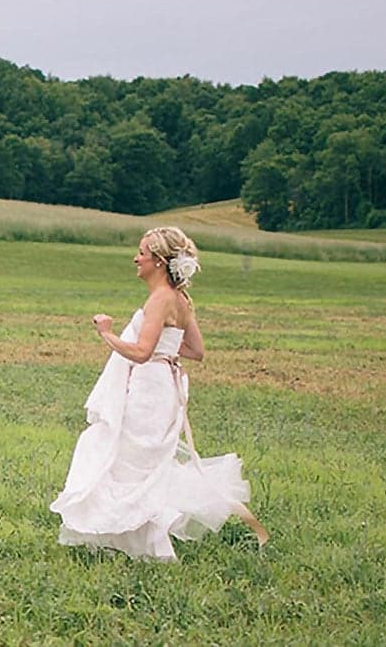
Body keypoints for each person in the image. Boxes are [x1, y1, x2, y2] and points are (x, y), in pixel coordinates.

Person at [49, 226, 268, 561]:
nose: (136, 259)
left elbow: (140, 352)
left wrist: (106, 333)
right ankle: (133, 538)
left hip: (149, 390)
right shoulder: (179, 300)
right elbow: (196, 350)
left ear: (159, 261)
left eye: (142, 253)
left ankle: (137, 538)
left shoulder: (160, 300)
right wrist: (167, 349)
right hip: (165, 386)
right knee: (143, 462)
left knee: (126, 458)